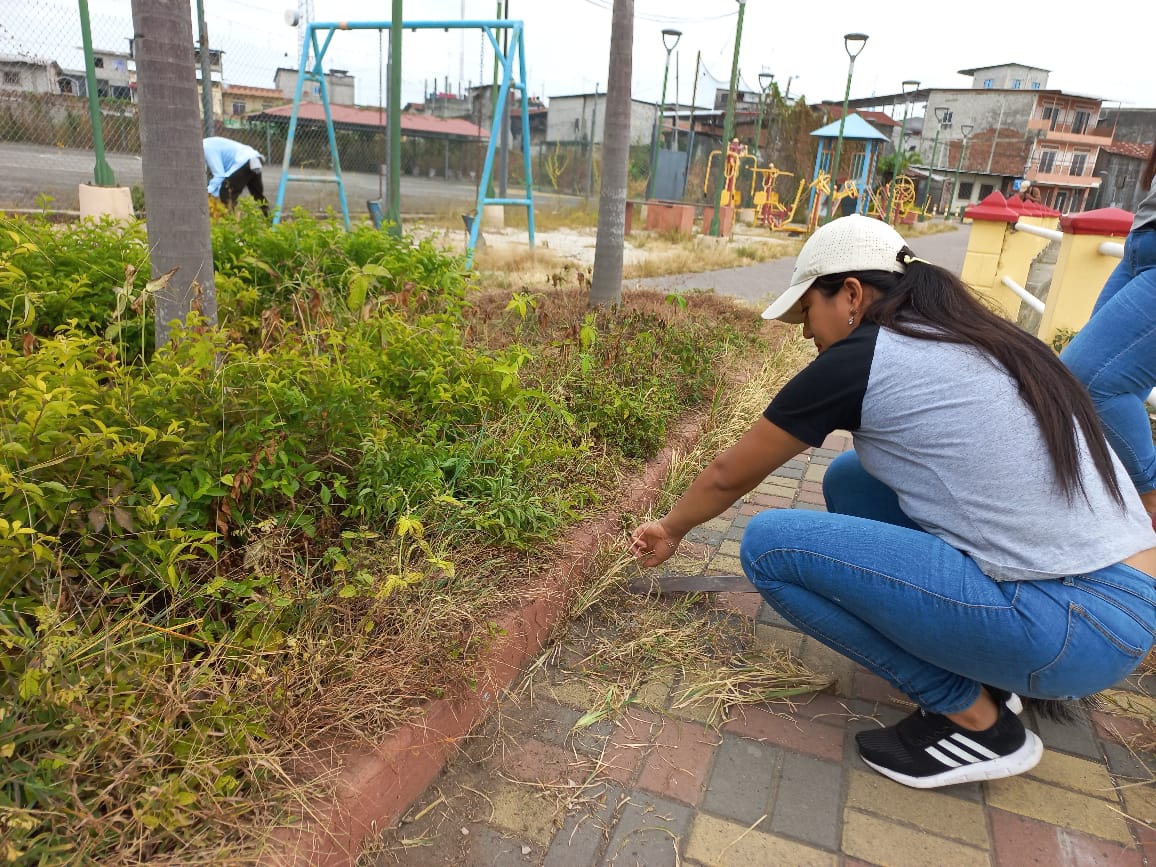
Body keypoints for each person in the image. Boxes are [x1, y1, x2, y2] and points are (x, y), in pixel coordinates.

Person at [629, 214, 1156, 790]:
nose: (806, 335)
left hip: (1073, 627)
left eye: (807, 312)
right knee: (851, 478)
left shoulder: (859, 358)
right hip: (1122, 597)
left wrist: (670, 529)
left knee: (769, 546)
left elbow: (730, 474)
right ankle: (990, 669)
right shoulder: (968, 335)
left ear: (851, 294)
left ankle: (975, 720)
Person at [1061, 145, 1156, 527]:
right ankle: (1113, 503)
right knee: (1102, 388)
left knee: (1087, 378)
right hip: (1140, 245)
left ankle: (1148, 501)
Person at [203, 136, 269, 216]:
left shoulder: (206, 148)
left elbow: (219, 175)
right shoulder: (207, 143)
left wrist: (206, 192)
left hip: (244, 161)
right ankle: (270, 219)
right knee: (258, 195)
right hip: (255, 158)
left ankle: (231, 221)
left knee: (226, 191)